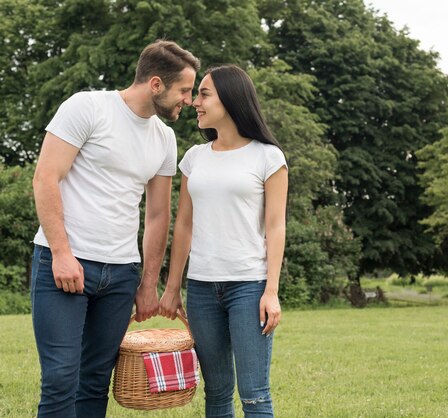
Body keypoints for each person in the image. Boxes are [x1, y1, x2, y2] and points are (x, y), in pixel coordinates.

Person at [30, 40, 200, 417]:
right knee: (60, 377)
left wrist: (147, 283)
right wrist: (61, 253)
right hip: (64, 266)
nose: (188, 100)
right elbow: (45, 178)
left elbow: (158, 215)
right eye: (184, 90)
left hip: (120, 275)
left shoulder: (164, 138)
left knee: (94, 379)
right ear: (156, 84)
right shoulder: (86, 107)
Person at [159, 65, 288, 417]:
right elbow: (183, 225)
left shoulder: (267, 156)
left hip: (249, 286)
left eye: (204, 94)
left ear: (230, 99)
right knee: (215, 392)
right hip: (201, 289)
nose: (195, 102)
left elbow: (276, 227)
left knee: (254, 394)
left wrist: (271, 291)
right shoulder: (195, 158)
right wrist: (173, 287)